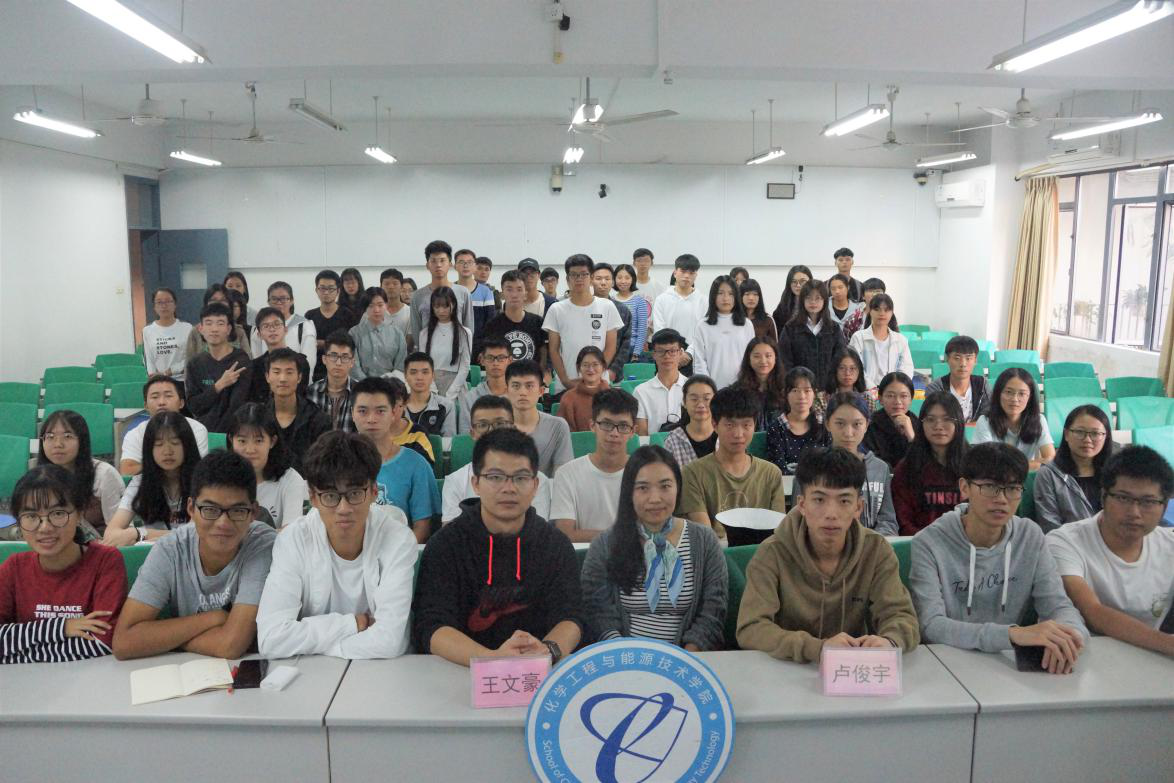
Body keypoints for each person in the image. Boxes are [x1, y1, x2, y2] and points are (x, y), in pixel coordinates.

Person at [412, 428, 585, 666]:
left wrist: (548, 651)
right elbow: (432, 625)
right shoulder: (445, 545)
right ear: (475, 483)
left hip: (539, 672)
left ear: (535, 485)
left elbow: (571, 616)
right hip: (461, 671)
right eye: (495, 477)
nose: (508, 488)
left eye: (521, 478)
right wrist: (492, 660)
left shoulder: (555, 545)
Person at [910, 443, 1089, 674]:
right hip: (947, 665)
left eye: (1012, 488)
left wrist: (1071, 636)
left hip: (1007, 666)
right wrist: (1011, 635)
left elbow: (1058, 605)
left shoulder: (1030, 536)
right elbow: (931, 625)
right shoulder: (929, 542)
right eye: (990, 487)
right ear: (964, 487)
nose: (1002, 499)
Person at [736, 447, 919, 662]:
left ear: (858, 507)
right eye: (819, 500)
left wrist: (889, 641)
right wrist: (817, 648)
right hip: (789, 668)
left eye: (844, 501)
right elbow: (751, 628)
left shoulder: (876, 551)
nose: (831, 514)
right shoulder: (772, 553)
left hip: (853, 669)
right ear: (802, 504)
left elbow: (901, 617)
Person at [256, 432, 417, 659]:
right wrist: (353, 624)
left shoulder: (398, 539)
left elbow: (389, 641)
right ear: (312, 497)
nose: (343, 508)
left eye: (354, 493)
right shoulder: (293, 540)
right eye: (330, 496)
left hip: (381, 670)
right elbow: (271, 639)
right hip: (314, 673)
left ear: (374, 492)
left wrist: (321, 645)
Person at [111, 451, 277, 660]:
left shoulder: (262, 545)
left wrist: (167, 640)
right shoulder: (170, 549)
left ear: (253, 512)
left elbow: (231, 645)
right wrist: (213, 618)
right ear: (191, 508)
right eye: (210, 509)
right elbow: (124, 642)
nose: (223, 523)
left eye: (237, 511)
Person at [581, 445, 728, 649]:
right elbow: (597, 610)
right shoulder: (605, 545)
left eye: (665, 486)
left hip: (687, 657)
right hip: (623, 657)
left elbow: (714, 609)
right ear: (629, 492)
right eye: (643, 488)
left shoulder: (704, 541)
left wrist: (687, 655)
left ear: (678, 487)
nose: (655, 498)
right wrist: (623, 654)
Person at [1046, 446, 1174, 656]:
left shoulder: (1169, 545)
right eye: (1123, 498)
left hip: (1149, 660)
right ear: (1104, 496)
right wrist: (1168, 644)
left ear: (1165, 506)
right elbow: (1093, 612)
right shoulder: (1064, 542)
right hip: (1077, 659)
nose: (1134, 512)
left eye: (1148, 502)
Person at [0, 465, 128, 663]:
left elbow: (103, 642)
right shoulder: (13, 568)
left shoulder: (106, 561)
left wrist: (11, 651)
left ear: (79, 514)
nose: (45, 527)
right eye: (31, 516)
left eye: (58, 513)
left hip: (92, 678)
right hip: (26, 679)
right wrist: (62, 627)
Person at [679, 387, 787, 547]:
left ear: (754, 425)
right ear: (715, 424)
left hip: (763, 554)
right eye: (730, 425)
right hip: (716, 554)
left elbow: (778, 532)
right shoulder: (693, 473)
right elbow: (705, 536)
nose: (738, 434)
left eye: (746, 425)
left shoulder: (771, 473)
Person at [351, 376, 439, 543]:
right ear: (352, 414)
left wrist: (395, 553)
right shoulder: (338, 463)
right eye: (362, 411)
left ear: (393, 413)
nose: (371, 419)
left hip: (399, 552)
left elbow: (423, 528)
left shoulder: (417, 465)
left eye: (380, 411)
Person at [442, 395, 553, 523]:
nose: (491, 431)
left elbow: (537, 531)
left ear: (513, 428)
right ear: (472, 433)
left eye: (500, 424)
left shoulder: (536, 480)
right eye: (483, 425)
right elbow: (452, 532)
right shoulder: (455, 481)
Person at [552, 389, 637, 542]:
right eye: (606, 424)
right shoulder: (567, 474)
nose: (614, 433)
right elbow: (565, 534)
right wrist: (620, 536)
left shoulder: (644, 473)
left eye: (623, 426)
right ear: (592, 425)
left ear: (633, 431)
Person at [104, 412, 201, 546]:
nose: (167, 451)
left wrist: (140, 533)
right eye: (159, 444)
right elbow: (111, 533)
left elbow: (195, 533)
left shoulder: (203, 482)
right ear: (149, 449)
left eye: (175, 443)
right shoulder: (141, 482)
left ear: (187, 445)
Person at [815, 392, 897, 535]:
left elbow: (888, 520)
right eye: (840, 423)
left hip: (871, 544)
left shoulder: (879, 468)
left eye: (857, 424)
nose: (848, 433)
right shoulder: (813, 467)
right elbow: (801, 518)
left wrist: (871, 542)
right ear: (828, 424)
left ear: (866, 425)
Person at [543, 254, 622, 394]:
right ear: (567, 280)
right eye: (574, 275)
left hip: (599, 384)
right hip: (567, 385)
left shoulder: (607, 306)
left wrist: (596, 376)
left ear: (591, 278)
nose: (579, 278)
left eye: (584, 274)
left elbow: (611, 346)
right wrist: (565, 380)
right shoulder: (556, 309)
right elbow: (554, 350)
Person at [36, 411, 123, 537]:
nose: (58, 444)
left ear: (82, 441)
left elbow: (119, 530)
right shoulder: (38, 477)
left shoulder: (104, 474)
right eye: (50, 436)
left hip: (100, 545)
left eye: (67, 436)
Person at [892, 392, 967, 536]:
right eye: (931, 419)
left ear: (958, 422)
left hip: (965, 544)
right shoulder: (907, 468)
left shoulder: (973, 465)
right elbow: (903, 521)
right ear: (921, 424)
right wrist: (927, 541)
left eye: (947, 419)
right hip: (918, 543)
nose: (938, 426)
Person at [226, 403, 308, 529]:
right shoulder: (220, 477)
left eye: (258, 441)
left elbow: (291, 532)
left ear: (272, 441)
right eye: (242, 441)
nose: (250, 449)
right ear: (231, 440)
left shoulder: (290, 479)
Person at [1034, 405, 1114, 532]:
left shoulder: (1117, 473)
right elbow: (1050, 526)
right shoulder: (1048, 475)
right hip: (1067, 543)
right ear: (1066, 434)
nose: (1087, 439)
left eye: (1095, 433)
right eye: (1080, 432)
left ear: (1106, 437)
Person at [120, 376, 209, 476]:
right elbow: (127, 470)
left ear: (181, 403)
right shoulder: (135, 434)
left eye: (168, 396)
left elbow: (196, 467)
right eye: (155, 397)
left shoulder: (197, 429)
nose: (161, 402)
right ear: (146, 406)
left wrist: (151, 465)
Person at [185, 301, 253, 432]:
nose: (214, 329)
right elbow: (194, 406)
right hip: (204, 433)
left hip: (233, 432)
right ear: (200, 329)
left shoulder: (240, 360)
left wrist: (219, 435)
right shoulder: (195, 364)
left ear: (229, 329)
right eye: (209, 323)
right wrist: (219, 385)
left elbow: (237, 406)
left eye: (220, 323)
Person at [263, 348, 331, 474]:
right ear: (267, 377)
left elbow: (323, 466)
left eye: (289, 372)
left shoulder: (319, 420)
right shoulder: (259, 417)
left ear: (299, 377)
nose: (282, 378)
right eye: (276, 372)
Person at [974, 368, 1055, 468]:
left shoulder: (1039, 420)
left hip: (1028, 476)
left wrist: (1008, 466)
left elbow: (1050, 458)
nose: (1014, 399)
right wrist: (1034, 464)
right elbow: (987, 463)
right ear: (998, 394)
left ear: (1030, 397)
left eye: (1022, 394)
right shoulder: (985, 421)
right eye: (1008, 392)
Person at [505, 360, 572, 476]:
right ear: (506, 391)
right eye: (516, 386)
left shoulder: (558, 426)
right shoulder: (495, 426)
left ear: (541, 391)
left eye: (529, 386)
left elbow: (563, 474)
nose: (523, 392)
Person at [691, 275, 756, 390]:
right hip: (713, 390)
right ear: (713, 296)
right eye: (720, 293)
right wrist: (707, 389)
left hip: (742, 389)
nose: (725, 298)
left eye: (730, 294)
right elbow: (699, 363)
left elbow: (751, 357)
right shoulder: (703, 326)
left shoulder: (746, 324)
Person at [779, 280, 847, 390]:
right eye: (808, 298)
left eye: (818, 298)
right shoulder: (791, 328)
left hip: (828, 390)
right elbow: (785, 361)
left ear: (825, 301)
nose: (813, 302)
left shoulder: (833, 328)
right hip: (799, 389)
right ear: (802, 300)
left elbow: (840, 358)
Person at [766, 367, 830, 476]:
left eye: (807, 390)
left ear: (814, 393)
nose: (801, 396)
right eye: (795, 390)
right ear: (785, 393)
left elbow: (830, 463)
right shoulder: (776, 428)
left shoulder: (824, 425)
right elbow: (777, 468)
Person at [410, 240, 475, 346]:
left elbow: (468, 327)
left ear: (450, 264)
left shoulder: (463, 293)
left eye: (442, 260)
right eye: (433, 261)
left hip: (457, 352)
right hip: (428, 352)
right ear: (427, 265)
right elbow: (417, 331)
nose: (438, 265)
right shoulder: (417, 296)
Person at [479, 270, 547, 367]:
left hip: (532, 375)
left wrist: (544, 372)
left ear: (525, 294)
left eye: (519, 289)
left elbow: (544, 354)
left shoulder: (538, 322)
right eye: (509, 289)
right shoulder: (493, 325)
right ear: (502, 294)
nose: (514, 295)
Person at [848, 294, 914, 390]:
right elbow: (856, 367)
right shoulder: (858, 337)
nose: (882, 313)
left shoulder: (901, 340)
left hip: (893, 390)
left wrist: (895, 387)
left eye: (886, 310)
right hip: (865, 390)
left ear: (892, 313)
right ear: (870, 311)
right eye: (877, 309)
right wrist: (872, 388)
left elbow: (906, 368)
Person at [251, 282, 317, 377]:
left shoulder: (304, 326)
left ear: (292, 300)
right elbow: (257, 359)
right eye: (274, 299)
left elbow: (309, 362)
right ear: (268, 301)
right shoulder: (258, 329)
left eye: (283, 299)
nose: (279, 303)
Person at [420, 286, 473, 398]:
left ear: (453, 305)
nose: (441, 311)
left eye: (445, 306)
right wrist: (433, 391)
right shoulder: (424, 334)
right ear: (432, 307)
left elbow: (465, 366)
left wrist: (451, 394)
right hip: (431, 385)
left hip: (456, 386)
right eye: (437, 307)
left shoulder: (464, 333)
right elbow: (424, 365)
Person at [248, 307, 311, 402]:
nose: (272, 329)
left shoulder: (300, 361)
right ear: (259, 334)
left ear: (285, 330)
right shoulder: (255, 366)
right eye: (266, 326)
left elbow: (300, 395)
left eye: (276, 324)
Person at [305, 270, 358, 382]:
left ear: (338, 290)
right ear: (316, 290)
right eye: (322, 288)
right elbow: (307, 344)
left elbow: (352, 344)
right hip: (315, 370)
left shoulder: (348, 315)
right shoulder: (309, 316)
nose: (326, 292)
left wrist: (322, 344)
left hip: (341, 368)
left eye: (331, 289)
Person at [925, 336, 991, 424]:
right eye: (957, 358)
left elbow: (989, 417)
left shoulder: (983, 385)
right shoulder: (935, 388)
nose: (963, 364)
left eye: (968, 358)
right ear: (947, 359)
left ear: (975, 360)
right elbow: (938, 421)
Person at [634, 328, 688, 435]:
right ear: (653, 354)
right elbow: (642, 436)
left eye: (672, 351)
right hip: (653, 446)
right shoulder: (641, 392)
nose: (667, 356)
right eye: (661, 351)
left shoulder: (692, 388)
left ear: (681, 353)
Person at [651, 254, 705, 357]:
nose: (687, 276)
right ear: (675, 273)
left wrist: (689, 353)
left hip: (695, 356)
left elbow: (704, 332)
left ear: (696, 275)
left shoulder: (703, 301)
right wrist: (673, 353)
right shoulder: (661, 299)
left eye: (691, 273)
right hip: (666, 356)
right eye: (683, 271)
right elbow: (660, 331)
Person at [863, 372, 920, 468]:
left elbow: (922, 462)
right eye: (890, 396)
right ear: (880, 399)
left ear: (911, 399)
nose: (898, 401)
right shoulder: (870, 425)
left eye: (903, 396)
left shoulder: (918, 424)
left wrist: (911, 436)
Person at [349, 287, 408, 381]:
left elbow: (400, 365)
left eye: (380, 305)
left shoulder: (397, 334)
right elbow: (353, 365)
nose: (376, 310)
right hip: (362, 385)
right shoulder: (354, 333)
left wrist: (388, 382)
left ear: (386, 305)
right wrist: (368, 383)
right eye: (371, 306)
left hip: (390, 385)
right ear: (365, 308)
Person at [458, 337, 512, 435]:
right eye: (490, 358)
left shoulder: (518, 395)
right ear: (482, 360)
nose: (495, 363)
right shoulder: (470, 398)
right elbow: (466, 434)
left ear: (510, 360)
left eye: (501, 358)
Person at [662, 375, 718, 469]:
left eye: (706, 399)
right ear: (684, 402)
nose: (701, 405)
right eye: (694, 399)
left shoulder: (725, 436)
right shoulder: (673, 441)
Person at [307, 330, 358, 432]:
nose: (338, 363)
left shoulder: (360, 392)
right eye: (333, 356)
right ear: (324, 359)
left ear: (352, 362)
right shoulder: (310, 392)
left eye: (345, 357)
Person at [185, 285, 252, 361]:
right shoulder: (196, 332)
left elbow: (248, 360)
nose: (218, 303)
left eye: (223, 300)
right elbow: (189, 362)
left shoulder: (239, 331)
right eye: (213, 300)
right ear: (206, 303)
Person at [591, 262, 632, 382]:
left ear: (613, 282)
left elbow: (626, 345)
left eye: (607, 279)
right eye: (598, 278)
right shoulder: (583, 308)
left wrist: (614, 370)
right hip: (586, 371)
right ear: (591, 280)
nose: (603, 282)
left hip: (612, 374)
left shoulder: (622, 310)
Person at [734, 337, 787, 430]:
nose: (763, 361)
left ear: (775, 358)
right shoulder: (737, 391)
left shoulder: (786, 387)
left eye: (768, 356)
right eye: (757, 356)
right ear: (748, 359)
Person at [143, 287, 192, 381]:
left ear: (175, 305)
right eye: (159, 302)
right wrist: (154, 377)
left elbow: (192, 358)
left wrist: (169, 371)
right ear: (154, 307)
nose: (164, 306)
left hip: (183, 380)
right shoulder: (147, 331)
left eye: (168, 301)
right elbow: (149, 360)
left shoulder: (187, 328)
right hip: (159, 381)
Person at [557, 346, 610, 432]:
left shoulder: (614, 397)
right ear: (579, 368)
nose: (591, 369)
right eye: (585, 365)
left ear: (603, 367)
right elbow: (563, 433)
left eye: (595, 364)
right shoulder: (568, 398)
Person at [403, 352, 456, 437]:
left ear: (433, 376)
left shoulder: (446, 406)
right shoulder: (396, 406)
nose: (419, 377)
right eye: (413, 372)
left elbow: (448, 442)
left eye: (425, 372)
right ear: (405, 376)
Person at [454, 248, 497, 340]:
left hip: (479, 344)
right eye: (461, 262)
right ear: (455, 266)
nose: (465, 265)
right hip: (454, 342)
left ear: (474, 266)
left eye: (469, 262)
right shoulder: (449, 291)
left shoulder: (486, 292)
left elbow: (490, 323)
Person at [613, 263, 650, 361]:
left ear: (633, 279)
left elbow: (642, 330)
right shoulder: (610, 300)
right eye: (619, 278)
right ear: (614, 279)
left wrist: (636, 353)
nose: (623, 281)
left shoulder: (639, 301)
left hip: (632, 349)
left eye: (627, 278)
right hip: (613, 349)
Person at [818, 348, 868, 420]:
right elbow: (820, 424)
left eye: (852, 368)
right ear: (835, 370)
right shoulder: (822, 398)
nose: (847, 373)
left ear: (859, 371)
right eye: (842, 368)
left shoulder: (867, 398)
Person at [771, 264, 813, 337]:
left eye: (802, 281)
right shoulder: (784, 304)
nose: (798, 285)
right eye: (794, 281)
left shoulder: (818, 303)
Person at [378, 268, 413, 341]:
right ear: (380, 287)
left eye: (395, 283)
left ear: (401, 287)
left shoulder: (410, 312)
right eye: (387, 284)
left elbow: (410, 341)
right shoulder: (374, 311)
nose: (391, 287)